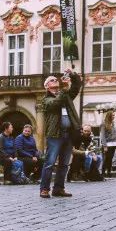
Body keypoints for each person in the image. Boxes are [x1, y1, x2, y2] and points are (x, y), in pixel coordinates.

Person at [39, 69, 82, 198]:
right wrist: (63, 89)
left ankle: (58, 189)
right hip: (55, 135)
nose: (55, 80)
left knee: (64, 164)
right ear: (46, 86)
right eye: (51, 80)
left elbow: (76, 87)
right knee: (50, 163)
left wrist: (73, 75)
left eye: (55, 79)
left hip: (68, 134)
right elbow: (56, 103)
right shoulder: (45, 100)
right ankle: (44, 189)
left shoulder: (66, 95)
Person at [99, 111, 116, 178]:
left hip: (113, 144)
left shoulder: (112, 123)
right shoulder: (103, 124)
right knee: (106, 159)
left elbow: (115, 135)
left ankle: (109, 173)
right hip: (107, 144)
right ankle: (103, 173)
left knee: (110, 159)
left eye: (114, 115)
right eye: (112, 115)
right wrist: (104, 146)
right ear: (109, 116)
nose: (114, 117)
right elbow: (103, 136)